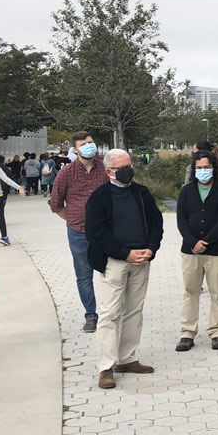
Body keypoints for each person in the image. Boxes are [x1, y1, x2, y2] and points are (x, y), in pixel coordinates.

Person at [84, 149, 163, 390]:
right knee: (109, 313)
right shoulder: (99, 197)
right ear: (109, 171)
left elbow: (156, 222)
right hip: (114, 261)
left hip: (142, 259)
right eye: (121, 168)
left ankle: (127, 359)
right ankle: (106, 367)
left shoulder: (141, 192)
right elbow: (96, 234)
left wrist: (151, 249)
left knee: (134, 311)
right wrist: (124, 253)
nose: (128, 171)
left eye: (129, 165)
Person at [176, 150, 218, 351]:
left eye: (206, 167)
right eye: (199, 168)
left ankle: (217, 331)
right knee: (190, 291)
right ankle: (187, 332)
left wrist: (207, 241)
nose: (202, 171)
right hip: (191, 251)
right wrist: (193, 242)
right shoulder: (186, 191)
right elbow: (181, 220)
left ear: (214, 168)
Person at [49, 131, 110, 333]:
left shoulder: (106, 169)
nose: (89, 146)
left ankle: (112, 311)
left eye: (91, 142)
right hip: (79, 232)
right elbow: (56, 203)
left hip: (106, 231)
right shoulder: (67, 173)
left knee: (112, 272)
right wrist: (73, 219)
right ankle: (90, 314)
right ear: (75, 149)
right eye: (84, 144)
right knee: (84, 275)